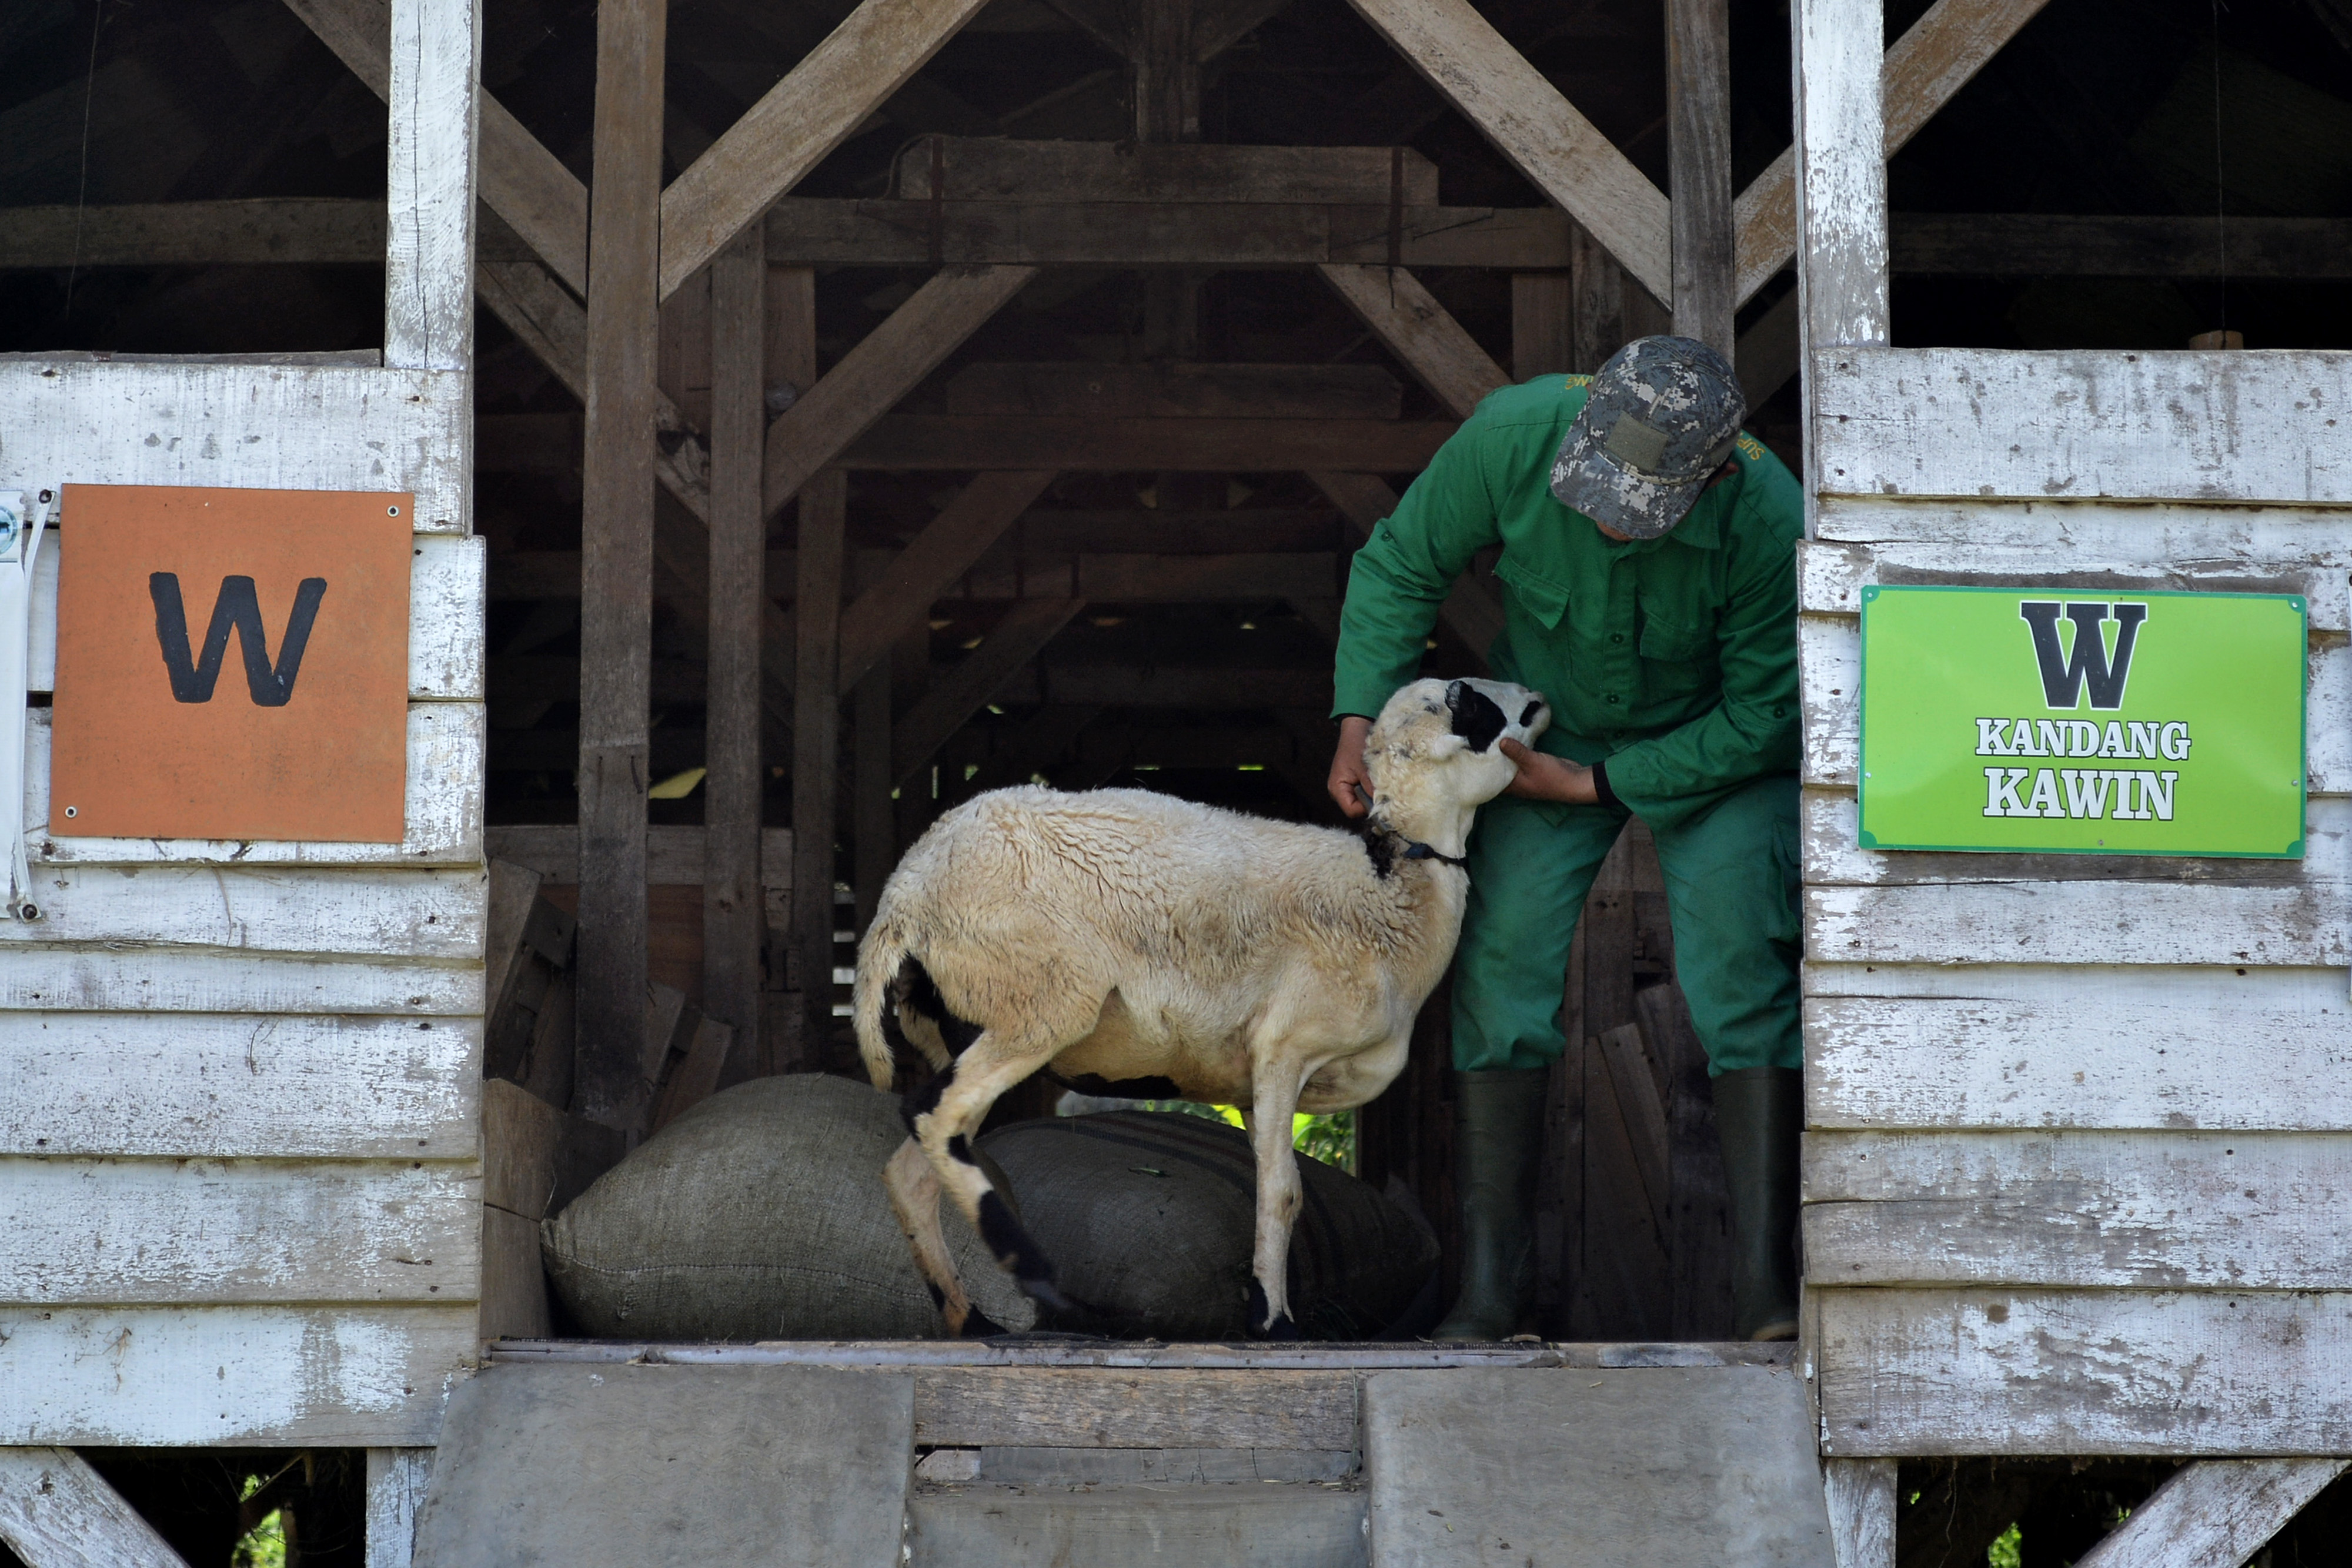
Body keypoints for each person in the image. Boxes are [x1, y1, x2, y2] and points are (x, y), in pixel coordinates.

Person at [1325, 336, 1805, 1342]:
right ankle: (1492, 1293)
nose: (1603, 518)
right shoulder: (1513, 433)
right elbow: (1401, 563)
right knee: (1497, 971)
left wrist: (1597, 784)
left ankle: (1769, 1297)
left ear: (1715, 474)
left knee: (1741, 977)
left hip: (1711, 747)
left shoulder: (1768, 516)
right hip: (1544, 728)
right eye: (1593, 492)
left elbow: (1768, 716)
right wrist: (1359, 722)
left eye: (1639, 511)